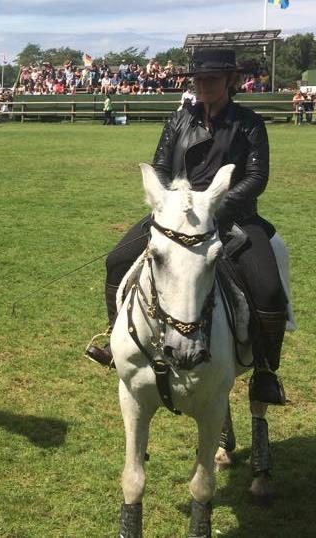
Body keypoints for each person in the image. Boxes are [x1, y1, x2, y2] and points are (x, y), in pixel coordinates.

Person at [86, 49, 287, 406]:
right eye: (197, 80)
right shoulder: (179, 120)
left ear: (230, 81)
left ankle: (265, 372)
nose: (202, 86)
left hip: (232, 217)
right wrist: (173, 204)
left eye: (210, 79)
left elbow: (257, 177)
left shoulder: (249, 123)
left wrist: (215, 205)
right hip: (176, 218)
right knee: (117, 261)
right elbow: (161, 166)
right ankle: (116, 341)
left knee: (269, 290)